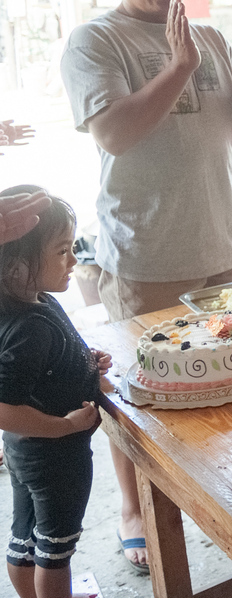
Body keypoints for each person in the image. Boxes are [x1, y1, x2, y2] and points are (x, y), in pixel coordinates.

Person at [59, 0, 232, 572]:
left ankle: (230, 490)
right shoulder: (97, 41)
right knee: (141, 394)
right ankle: (135, 509)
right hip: (146, 253)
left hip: (222, 247)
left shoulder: (212, 38)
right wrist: (177, 65)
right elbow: (115, 134)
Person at [0, 187, 109, 598]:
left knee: (25, 540)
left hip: (27, 454)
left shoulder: (29, 301)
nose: (75, 260)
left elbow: (42, 366)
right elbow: (4, 408)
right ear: (14, 266)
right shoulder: (30, 328)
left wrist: (82, 360)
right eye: (63, 251)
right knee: (55, 551)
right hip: (55, 456)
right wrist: (63, 426)